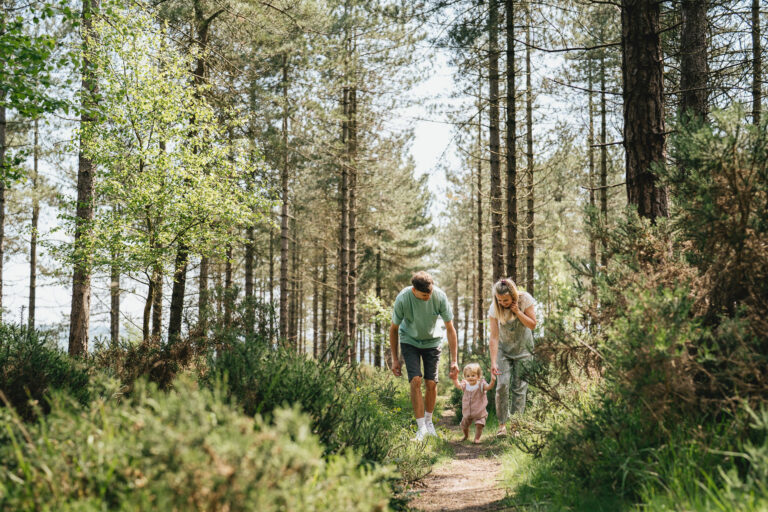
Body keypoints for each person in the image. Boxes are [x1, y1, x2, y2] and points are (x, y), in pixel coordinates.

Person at [390, 271, 459, 441]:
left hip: (432, 342)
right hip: (409, 341)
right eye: (423, 295)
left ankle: (429, 423)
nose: (428, 297)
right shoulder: (403, 298)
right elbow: (394, 329)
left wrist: (454, 361)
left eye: (429, 293)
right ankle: (420, 428)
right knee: (415, 380)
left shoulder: (439, 297)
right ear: (414, 291)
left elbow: (450, 329)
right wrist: (395, 359)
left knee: (431, 383)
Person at [488, 278, 537, 437]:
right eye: (499, 300)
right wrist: (494, 361)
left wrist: (518, 312)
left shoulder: (525, 300)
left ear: (514, 295)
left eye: (506, 300)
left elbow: (532, 324)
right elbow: (494, 337)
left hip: (524, 350)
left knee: (519, 388)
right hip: (504, 351)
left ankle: (516, 426)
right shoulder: (494, 308)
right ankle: (502, 425)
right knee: (502, 385)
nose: (502, 302)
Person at [451, 362, 496, 443]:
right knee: (464, 425)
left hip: (479, 412)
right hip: (467, 411)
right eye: (468, 376)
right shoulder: (465, 385)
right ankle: (466, 435)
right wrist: (455, 379)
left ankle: (477, 438)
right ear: (465, 377)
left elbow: (489, 387)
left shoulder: (481, 385)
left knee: (479, 425)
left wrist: (492, 381)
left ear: (478, 376)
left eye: (473, 375)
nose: (470, 378)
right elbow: (458, 385)